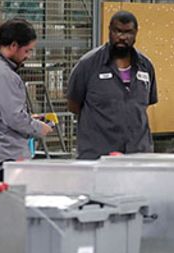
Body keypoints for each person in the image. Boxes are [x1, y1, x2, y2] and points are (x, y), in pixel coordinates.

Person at [0, 18, 55, 181]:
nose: (28, 56)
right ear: (14, 46)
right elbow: (15, 118)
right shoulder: (3, 73)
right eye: (27, 50)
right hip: (4, 155)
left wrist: (28, 118)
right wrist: (39, 128)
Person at [67, 11, 158, 160]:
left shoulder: (146, 66)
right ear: (109, 30)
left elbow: (144, 104)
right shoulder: (88, 65)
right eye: (117, 31)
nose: (122, 37)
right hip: (97, 155)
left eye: (128, 32)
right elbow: (73, 105)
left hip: (138, 154)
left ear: (136, 33)